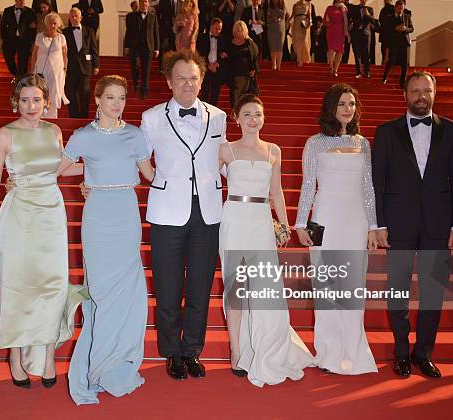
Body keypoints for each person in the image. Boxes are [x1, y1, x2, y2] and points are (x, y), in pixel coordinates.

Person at [0, 74, 86, 389]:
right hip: (19, 215)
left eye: (37, 100)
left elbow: (59, 170)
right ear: (16, 102)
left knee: (53, 286)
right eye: (25, 100)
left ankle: (48, 353)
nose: (31, 106)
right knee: (17, 286)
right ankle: (16, 356)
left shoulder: (54, 131)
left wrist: (102, 165)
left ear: (46, 101)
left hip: (52, 215)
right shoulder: (4, 135)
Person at [65, 75, 155, 404]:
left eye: (121, 98)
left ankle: (117, 364)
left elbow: (149, 174)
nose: (116, 104)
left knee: (127, 291)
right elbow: (61, 169)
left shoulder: (134, 135)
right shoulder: (82, 136)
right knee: (101, 291)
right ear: (98, 100)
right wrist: (90, 172)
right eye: (110, 97)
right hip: (98, 215)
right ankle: (96, 367)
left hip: (127, 213)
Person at [372, 71, 453, 378]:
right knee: (397, 290)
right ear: (405, 95)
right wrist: (380, 223)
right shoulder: (387, 132)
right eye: (415, 91)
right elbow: (377, 182)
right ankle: (401, 352)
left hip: (439, 225)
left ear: (434, 93)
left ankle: (423, 353)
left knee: (433, 291)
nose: (421, 96)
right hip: (398, 223)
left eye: (426, 90)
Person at [142, 49, 227, 381]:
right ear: (169, 82)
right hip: (166, 212)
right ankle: (171, 352)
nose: (188, 84)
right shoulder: (152, 117)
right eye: (181, 78)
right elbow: (138, 156)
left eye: (193, 77)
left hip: (207, 211)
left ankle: (191, 350)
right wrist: (154, 177)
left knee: (200, 287)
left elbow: (225, 159)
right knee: (167, 286)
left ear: (202, 80)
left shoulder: (218, 117)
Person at [218, 94, 314, 385]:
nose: (252, 120)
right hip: (234, 218)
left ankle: (266, 347)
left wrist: (283, 224)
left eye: (257, 114)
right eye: (246, 114)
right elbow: (208, 183)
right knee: (235, 287)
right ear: (236, 118)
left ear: (263, 117)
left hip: (261, 220)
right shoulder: (225, 150)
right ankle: (236, 349)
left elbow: (277, 191)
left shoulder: (273, 150)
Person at [295, 83, 379, 375]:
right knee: (327, 287)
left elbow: (368, 188)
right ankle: (330, 353)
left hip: (355, 221)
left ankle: (354, 352)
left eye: (352, 104)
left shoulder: (363, 143)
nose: (347, 109)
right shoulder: (315, 142)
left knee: (354, 286)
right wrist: (300, 223)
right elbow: (307, 186)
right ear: (331, 107)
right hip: (325, 219)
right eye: (342, 103)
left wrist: (372, 226)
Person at [30, 12, 68, 118]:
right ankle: (40, 116)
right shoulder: (39, 36)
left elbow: (65, 55)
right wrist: (32, 71)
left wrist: (65, 69)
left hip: (56, 71)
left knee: (54, 93)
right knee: (41, 93)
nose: (52, 26)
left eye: (55, 23)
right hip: (41, 70)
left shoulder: (62, 38)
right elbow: (34, 55)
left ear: (58, 24)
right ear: (46, 24)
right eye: (50, 23)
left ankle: (52, 118)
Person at [65, 7, 99, 118]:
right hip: (70, 67)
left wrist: (96, 65)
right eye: (72, 16)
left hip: (86, 66)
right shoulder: (65, 32)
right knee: (71, 93)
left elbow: (94, 48)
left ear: (81, 18)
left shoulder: (89, 30)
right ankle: (73, 116)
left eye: (76, 16)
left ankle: (83, 117)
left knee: (85, 92)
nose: (74, 18)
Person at [124, 0, 160, 99]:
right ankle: (135, 83)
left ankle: (144, 92)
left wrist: (157, 48)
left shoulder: (153, 17)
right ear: (139, 4)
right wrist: (126, 46)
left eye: (146, 2)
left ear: (148, 4)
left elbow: (155, 33)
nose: (144, 4)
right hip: (134, 46)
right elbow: (128, 32)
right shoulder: (131, 16)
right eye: (142, 2)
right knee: (134, 66)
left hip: (148, 47)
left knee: (146, 70)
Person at [1, 0, 37, 80]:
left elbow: (33, 27)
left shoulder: (30, 11)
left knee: (23, 63)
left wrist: (31, 40)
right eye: (21, 0)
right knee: (9, 59)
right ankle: (15, 74)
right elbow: (3, 26)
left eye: (24, 0)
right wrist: (5, 39)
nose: (23, 2)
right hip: (10, 41)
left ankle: (21, 81)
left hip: (24, 41)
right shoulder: (8, 10)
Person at [196, 17, 228, 106]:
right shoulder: (202, 38)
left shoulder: (223, 39)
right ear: (211, 27)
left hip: (217, 70)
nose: (218, 31)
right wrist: (208, 65)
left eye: (220, 29)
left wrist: (217, 64)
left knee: (215, 93)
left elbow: (225, 56)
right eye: (216, 28)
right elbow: (199, 54)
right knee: (204, 92)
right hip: (205, 68)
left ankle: (213, 113)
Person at [381, 0, 412, 89]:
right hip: (394, 42)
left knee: (404, 64)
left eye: (402, 9)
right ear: (395, 8)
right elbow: (386, 29)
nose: (400, 10)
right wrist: (395, 28)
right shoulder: (389, 17)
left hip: (404, 43)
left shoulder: (407, 17)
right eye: (399, 8)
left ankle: (402, 83)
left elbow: (411, 28)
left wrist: (405, 29)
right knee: (391, 61)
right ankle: (384, 78)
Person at [227, 20, 259, 107]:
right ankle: (235, 110)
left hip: (247, 74)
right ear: (234, 31)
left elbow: (255, 57)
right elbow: (226, 57)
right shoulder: (229, 43)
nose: (239, 32)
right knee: (235, 93)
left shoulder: (249, 43)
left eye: (241, 30)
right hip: (234, 73)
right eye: (237, 30)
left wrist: (254, 69)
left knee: (246, 95)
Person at [349, 0, 376, 78]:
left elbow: (373, 21)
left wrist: (367, 14)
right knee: (357, 53)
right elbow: (350, 18)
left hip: (366, 34)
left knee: (366, 54)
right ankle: (359, 72)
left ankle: (367, 72)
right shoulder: (354, 8)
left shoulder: (370, 9)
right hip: (356, 33)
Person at [323, 0, 348, 77]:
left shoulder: (344, 8)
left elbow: (345, 21)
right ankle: (331, 68)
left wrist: (346, 32)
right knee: (331, 49)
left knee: (340, 51)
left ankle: (336, 70)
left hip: (341, 31)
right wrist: (327, 22)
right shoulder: (329, 8)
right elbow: (325, 20)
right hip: (331, 30)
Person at [266, 0, 289, 71]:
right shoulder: (269, 7)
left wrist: (276, 14)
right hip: (271, 29)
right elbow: (268, 18)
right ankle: (274, 63)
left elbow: (283, 15)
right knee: (272, 46)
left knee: (279, 46)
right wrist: (273, 18)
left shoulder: (283, 6)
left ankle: (279, 64)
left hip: (280, 30)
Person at [290, 0, 312, 66]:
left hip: (304, 23)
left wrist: (309, 23)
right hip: (297, 23)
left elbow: (309, 15)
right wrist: (287, 21)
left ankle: (304, 58)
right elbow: (292, 15)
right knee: (297, 41)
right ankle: (299, 59)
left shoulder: (308, 4)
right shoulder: (295, 5)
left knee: (304, 41)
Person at [378, 0, 395, 64]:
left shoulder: (383, 10)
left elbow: (380, 22)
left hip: (386, 35)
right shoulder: (390, 9)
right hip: (390, 35)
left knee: (385, 53)